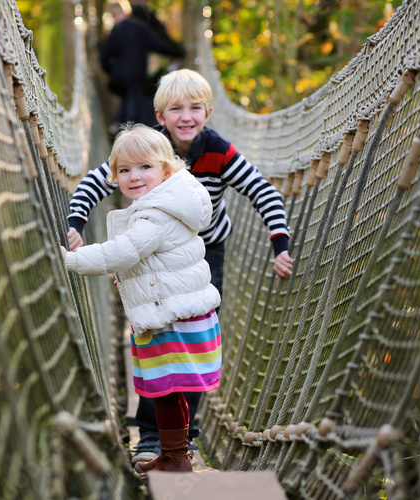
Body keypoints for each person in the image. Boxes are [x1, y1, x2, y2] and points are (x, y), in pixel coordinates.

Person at [67, 69, 294, 464]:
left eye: (195, 108)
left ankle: (185, 436)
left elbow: (262, 191)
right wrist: (75, 223)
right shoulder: (146, 152)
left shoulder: (218, 151)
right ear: (160, 116)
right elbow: (94, 182)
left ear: (208, 112)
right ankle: (154, 434)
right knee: (159, 340)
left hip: (205, 253)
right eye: (176, 109)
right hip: (152, 255)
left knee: (190, 344)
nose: (185, 116)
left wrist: (280, 243)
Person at [62, 124, 222, 474]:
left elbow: (123, 252)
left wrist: (71, 260)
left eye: (144, 167)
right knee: (169, 390)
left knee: (168, 388)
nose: (134, 177)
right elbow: (151, 261)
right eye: (124, 170)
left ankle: (177, 457)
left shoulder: (154, 213)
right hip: (172, 310)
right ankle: (173, 453)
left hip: (171, 317)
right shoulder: (165, 201)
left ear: (166, 170)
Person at [99, 2, 184, 129]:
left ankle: (119, 125)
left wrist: (114, 71)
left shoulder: (115, 31)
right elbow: (158, 45)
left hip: (119, 78)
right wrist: (178, 51)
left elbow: (105, 58)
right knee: (134, 109)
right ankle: (129, 132)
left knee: (128, 102)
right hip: (136, 76)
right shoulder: (140, 28)